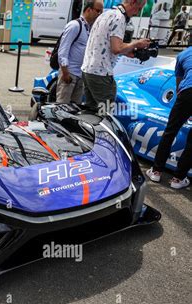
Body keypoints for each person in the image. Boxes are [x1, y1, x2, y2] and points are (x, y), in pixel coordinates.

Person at [81, 0, 150, 112]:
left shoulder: (107, 14)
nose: (137, 13)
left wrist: (128, 51)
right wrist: (136, 43)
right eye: (139, 8)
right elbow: (116, 48)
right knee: (106, 114)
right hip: (101, 73)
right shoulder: (119, 18)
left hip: (88, 70)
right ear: (133, 2)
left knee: (91, 111)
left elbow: (105, 43)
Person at [146, 47, 192, 189]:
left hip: (186, 93)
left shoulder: (184, 53)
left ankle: (156, 171)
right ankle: (178, 179)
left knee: (170, 131)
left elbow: (179, 83)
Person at [56, 0, 103, 104]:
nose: (99, 15)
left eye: (101, 12)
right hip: (69, 74)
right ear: (88, 10)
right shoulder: (74, 26)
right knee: (62, 107)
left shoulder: (90, 28)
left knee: (75, 110)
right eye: (98, 11)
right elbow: (63, 50)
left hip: (80, 75)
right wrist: (65, 73)